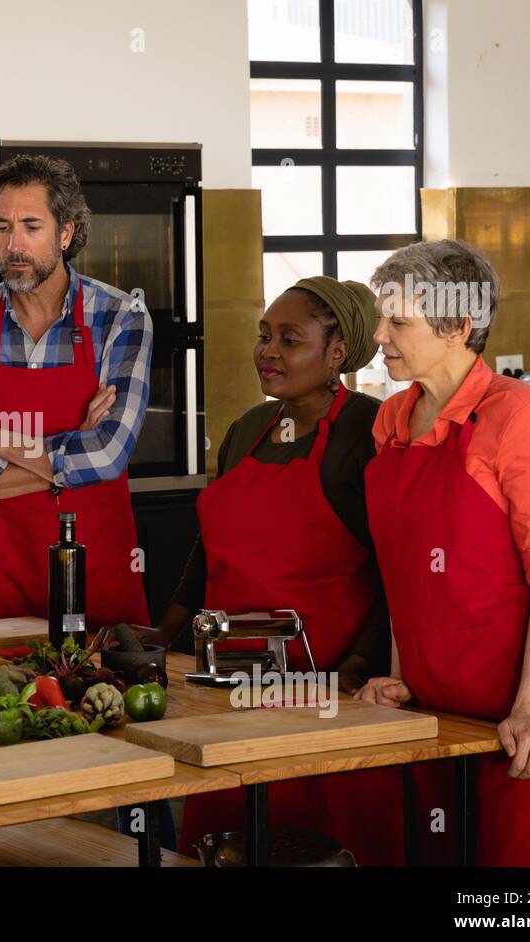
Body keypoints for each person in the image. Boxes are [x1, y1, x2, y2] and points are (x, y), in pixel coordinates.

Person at [134, 276, 404, 865]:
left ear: (337, 354)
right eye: (263, 336)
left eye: (289, 339)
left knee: (321, 847)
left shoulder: (369, 432)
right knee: (228, 843)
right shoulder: (245, 430)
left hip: (324, 695)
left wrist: (356, 669)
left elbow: (397, 574)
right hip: (229, 687)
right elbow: (207, 556)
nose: (268, 351)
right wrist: (164, 633)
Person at [357, 239, 530, 866]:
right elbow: (404, 572)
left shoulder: (519, 417)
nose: (379, 335)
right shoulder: (391, 422)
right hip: (435, 709)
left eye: (398, 322)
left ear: (458, 326)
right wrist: (401, 674)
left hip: (521, 710)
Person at [0, 154, 152, 632]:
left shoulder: (120, 317)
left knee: (104, 699)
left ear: (65, 234)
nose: (14, 244)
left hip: (99, 567)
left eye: (31, 226)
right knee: (2, 703)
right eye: (2, 227)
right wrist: (69, 457)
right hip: (1, 571)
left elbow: (110, 452)